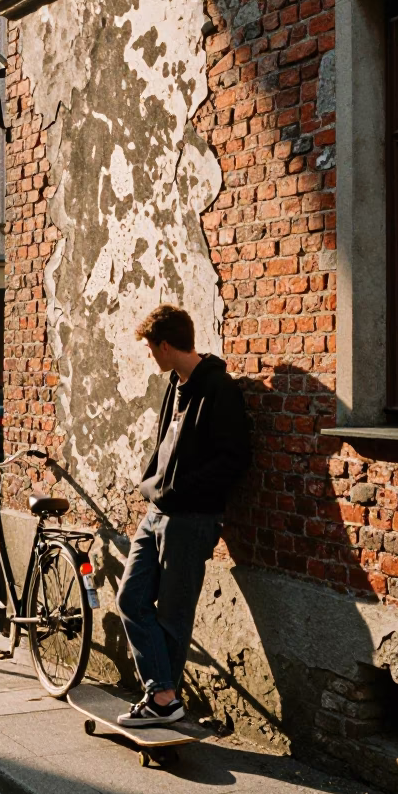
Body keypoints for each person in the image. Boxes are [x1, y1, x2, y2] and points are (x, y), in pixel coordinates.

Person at [116, 305, 251, 726]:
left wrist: (179, 490)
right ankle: (165, 696)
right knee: (131, 599)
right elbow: (166, 446)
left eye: (151, 349)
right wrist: (153, 483)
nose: (150, 357)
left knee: (173, 614)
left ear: (167, 345)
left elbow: (235, 459)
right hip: (157, 512)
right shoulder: (175, 387)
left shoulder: (219, 390)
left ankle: (162, 702)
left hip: (192, 518)